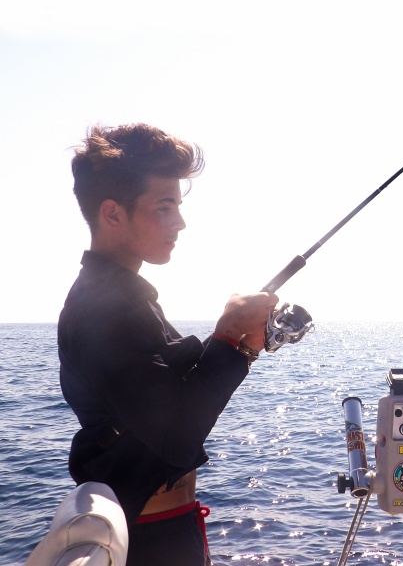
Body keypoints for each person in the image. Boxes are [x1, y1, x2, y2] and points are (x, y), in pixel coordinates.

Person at [58, 123, 278, 565]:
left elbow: (170, 394)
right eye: (164, 207)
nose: (179, 222)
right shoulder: (105, 309)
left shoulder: (121, 296)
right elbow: (176, 435)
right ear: (113, 213)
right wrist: (233, 338)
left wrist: (235, 342)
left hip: (163, 527)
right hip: (148, 539)